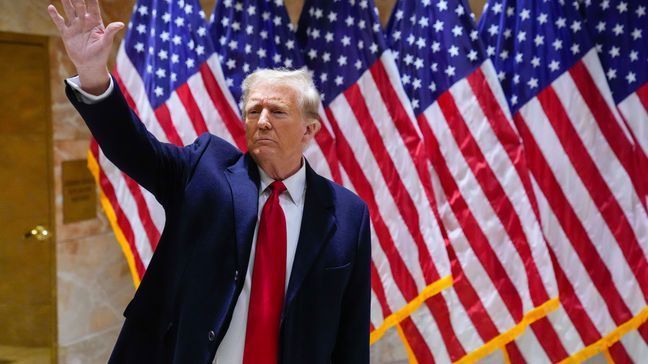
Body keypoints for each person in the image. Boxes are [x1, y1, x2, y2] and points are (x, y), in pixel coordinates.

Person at [47, 0, 371, 363]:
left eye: (278, 111)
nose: (262, 121)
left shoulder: (348, 214)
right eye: (253, 110)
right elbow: (133, 148)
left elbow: (352, 330)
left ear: (309, 129)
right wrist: (92, 71)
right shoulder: (205, 171)